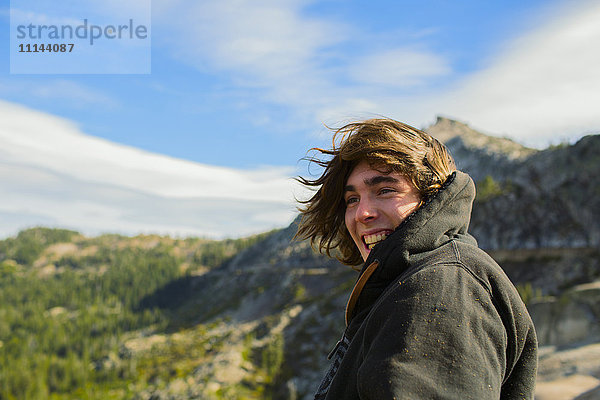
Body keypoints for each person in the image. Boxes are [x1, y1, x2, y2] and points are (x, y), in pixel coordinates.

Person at [295, 118, 537, 399]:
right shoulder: (414, 279)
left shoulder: (442, 285)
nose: (362, 213)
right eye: (352, 200)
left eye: (385, 190)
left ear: (431, 195)